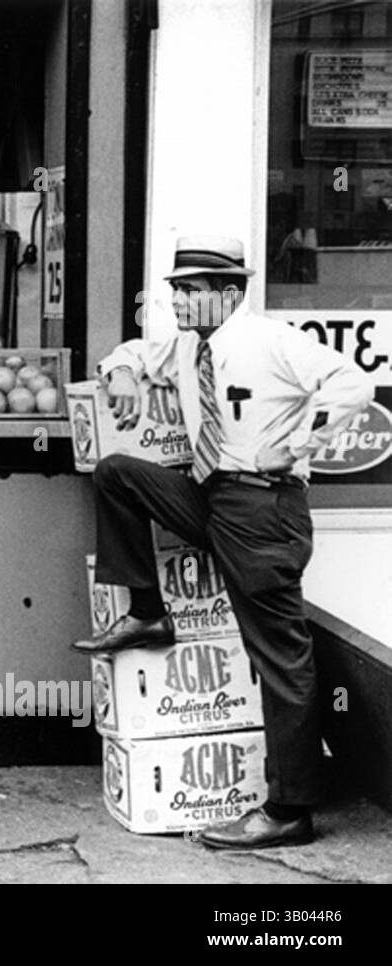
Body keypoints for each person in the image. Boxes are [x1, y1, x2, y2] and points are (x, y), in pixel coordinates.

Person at [72, 235, 374, 849]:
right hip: (212, 498)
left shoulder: (269, 341)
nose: (177, 301)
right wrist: (126, 370)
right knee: (118, 475)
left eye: (191, 291)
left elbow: (352, 384)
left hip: (264, 506)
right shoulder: (189, 347)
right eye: (175, 290)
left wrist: (297, 447)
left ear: (229, 294)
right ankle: (150, 615)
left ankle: (290, 809)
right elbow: (133, 349)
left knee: (280, 659)